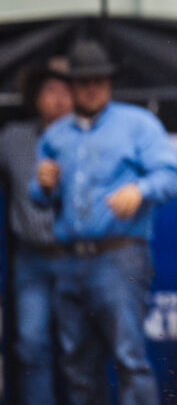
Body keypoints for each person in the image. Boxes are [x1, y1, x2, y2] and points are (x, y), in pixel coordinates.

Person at [30, 40, 177, 405]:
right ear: (70, 86)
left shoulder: (138, 124)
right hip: (68, 258)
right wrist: (41, 185)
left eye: (99, 79)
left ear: (110, 82)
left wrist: (140, 188)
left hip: (120, 256)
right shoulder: (55, 135)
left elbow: (172, 177)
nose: (92, 86)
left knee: (129, 357)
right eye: (83, 80)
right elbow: (39, 197)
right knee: (77, 363)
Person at [0, 57, 73, 403]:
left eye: (66, 90)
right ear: (34, 97)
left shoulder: (90, 139)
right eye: (50, 90)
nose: (59, 98)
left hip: (79, 258)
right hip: (32, 260)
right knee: (31, 345)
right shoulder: (13, 138)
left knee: (80, 349)